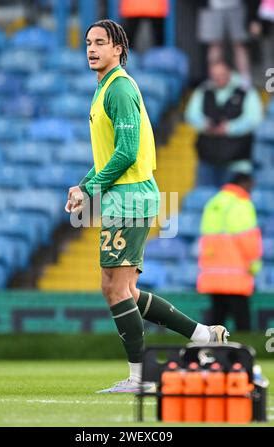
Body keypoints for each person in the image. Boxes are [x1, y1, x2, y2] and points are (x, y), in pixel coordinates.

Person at [65, 19, 229, 394]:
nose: (91, 48)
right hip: (124, 195)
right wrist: (84, 186)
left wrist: (91, 189)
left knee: (115, 288)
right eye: (88, 42)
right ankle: (202, 334)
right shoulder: (106, 86)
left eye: (100, 42)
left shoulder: (119, 88)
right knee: (124, 289)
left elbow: (125, 152)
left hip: (130, 196)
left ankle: (141, 378)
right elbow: (110, 153)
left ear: (118, 48)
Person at [197, 166, 263, 330]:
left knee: (216, 322)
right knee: (243, 323)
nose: (251, 190)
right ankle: (244, 354)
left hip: (213, 274)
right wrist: (254, 265)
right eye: (250, 185)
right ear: (243, 183)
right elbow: (247, 239)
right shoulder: (241, 203)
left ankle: (209, 353)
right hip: (236, 274)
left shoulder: (214, 202)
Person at [185, 60, 263, 187]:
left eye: (222, 75)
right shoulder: (203, 90)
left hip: (237, 161)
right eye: (215, 75)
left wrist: (230, 128)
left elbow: (254, 119)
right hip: (207, 159)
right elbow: (191, 115)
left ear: (230, 73)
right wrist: (206, 125)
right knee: (204, 200)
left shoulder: (245, 91)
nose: (218, 78)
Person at [197, 0, 251, 88]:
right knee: (214, 46)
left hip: (237, 5)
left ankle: (246, 80)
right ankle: (213, 78)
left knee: (240, 45)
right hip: (213, 6)